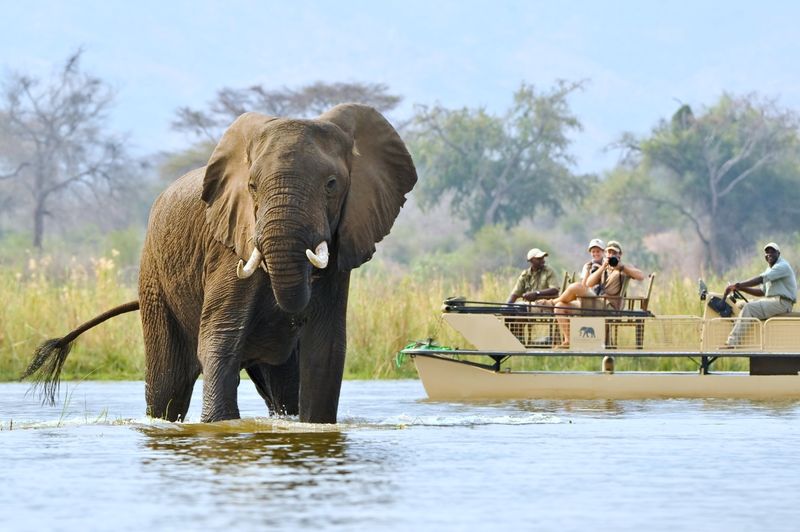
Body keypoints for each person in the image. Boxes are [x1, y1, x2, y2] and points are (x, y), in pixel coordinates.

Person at [552, 240, 645, 347]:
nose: (611, 255)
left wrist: (622, 267)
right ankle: (568, 340)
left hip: (610, 306)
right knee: (559, 307)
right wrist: (602, 267)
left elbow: (641, 276)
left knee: (576, 287)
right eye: (609, 253)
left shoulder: (624, 268)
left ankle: (551, 303)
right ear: (605, 254)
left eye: (614, 253)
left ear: (620, 254)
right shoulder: (604, 268)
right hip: (599, 303)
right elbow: (588, 283)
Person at [723, 242, 797, 348]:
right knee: (740, 304)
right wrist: (741, 288)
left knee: (749, 308)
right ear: (764, 256)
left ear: (778, 253)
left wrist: (738, 285)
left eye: (772, 252)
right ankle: (739, 332)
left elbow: (760, 279)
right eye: (767, 252)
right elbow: (762, 292)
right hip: (772, 301)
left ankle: (733, 341)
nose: (769, 254)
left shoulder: (782, 266)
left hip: (782, 303)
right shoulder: (770, 269)